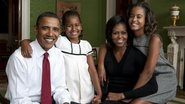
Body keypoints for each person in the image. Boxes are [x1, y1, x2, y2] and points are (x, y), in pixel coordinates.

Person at [98, 2, 177, 104]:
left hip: (162, 77)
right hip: (146, 77)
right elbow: (105, 46)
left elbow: (148, 72)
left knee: (135, 102)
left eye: (139, 16)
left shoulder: (154, 39)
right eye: (132, 16)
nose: (134, 19)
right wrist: (100, 64)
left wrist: (130, 95)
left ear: (146, 19)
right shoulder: (129, 37)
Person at [20, 10, 102, 104]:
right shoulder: (60, 41)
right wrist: (24, 42)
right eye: (69, 26)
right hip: (67, 95)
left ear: (81, 26)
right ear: (63, 28)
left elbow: (92, 70)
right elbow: (41, 41)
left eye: (77, 25)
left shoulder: (86, 45)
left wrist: (99, 93)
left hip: (87, 93)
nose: (73, 28)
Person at [5, 12, 71, 104]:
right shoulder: (19, 57)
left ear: (59, 32)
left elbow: (60, 88)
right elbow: (19, 99)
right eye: (45, 28)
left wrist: (65, 102)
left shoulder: (58, 54)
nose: (50, 34)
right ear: (36, 29)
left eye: (55, 29)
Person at [99, 16, 157, 104]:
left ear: (128, 34)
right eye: (115, 33)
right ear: (110, 34)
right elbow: (102, 83)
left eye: (123, 33)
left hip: (129, 99)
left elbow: (153, 86)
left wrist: (124, 95)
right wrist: (99, 97)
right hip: (110, 99)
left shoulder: (136, 55)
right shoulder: (106, 53)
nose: (120, 37)